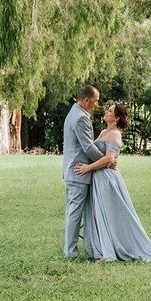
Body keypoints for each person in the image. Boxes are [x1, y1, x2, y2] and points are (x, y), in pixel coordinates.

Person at [76, 102, 151, 263]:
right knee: (97, 213)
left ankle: (109, 251)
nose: (106, 111)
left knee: (106, 212)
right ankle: (100, 248)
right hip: (98, 176)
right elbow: (97, 153)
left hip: (107, 178)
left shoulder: (115, 134)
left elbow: (110, 158)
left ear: (116, 118)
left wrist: (88, 167)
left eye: (110, 111)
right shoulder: (104, 131)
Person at [62, 84, 112, 259]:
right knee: (74, 213)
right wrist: (106, 161)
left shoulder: (73, 113)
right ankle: (70, 252)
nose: (97, 105)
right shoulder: (81, 118)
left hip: (73, 172)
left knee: (73, 211)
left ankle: (87, 248)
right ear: (86, 100)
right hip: (79, 172)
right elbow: (88, 147)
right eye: (96, 101)